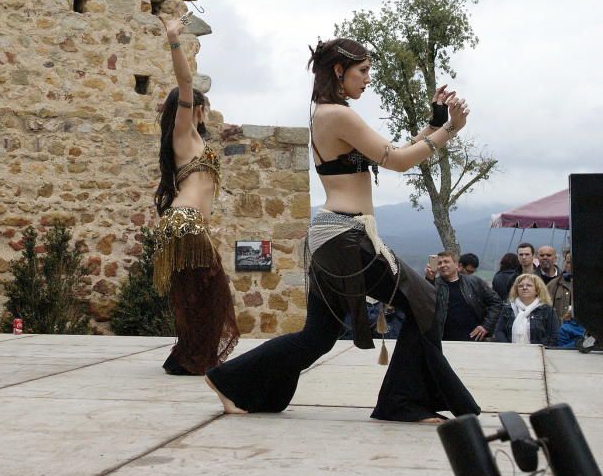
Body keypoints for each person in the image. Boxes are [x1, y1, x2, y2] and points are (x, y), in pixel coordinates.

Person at [205, 38, 480, 423]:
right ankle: (402, 402)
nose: (367, 79)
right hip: (344, 238)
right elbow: (399, 161)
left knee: (318, 337)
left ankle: (229, 379)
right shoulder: (338, 115)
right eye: (363, 71)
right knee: (425, 301)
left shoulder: (328, 114)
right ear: (339, 71)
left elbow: (391, 153)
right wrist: (451, 130)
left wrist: (435, 122)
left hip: (336, 236)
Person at [151, 5, 239, 375]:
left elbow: (201, 171)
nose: (205, 107)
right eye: (202, 105)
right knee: (213, 295)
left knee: (199, 297)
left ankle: (186, 358)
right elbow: (186, 84)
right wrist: (174, 40)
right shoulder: (182, 132)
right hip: (185, 223)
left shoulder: (196, 144)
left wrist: (222, 137)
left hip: (189, 225)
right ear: (191, 109)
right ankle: (192, 359)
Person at [431, 251, 501, 342]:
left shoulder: (474, 282)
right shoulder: (433, 285)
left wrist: (486, 326)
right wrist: (429, 279)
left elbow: (496, 302)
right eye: (439, 263)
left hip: (474, 340)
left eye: (446, 261)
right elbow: (423, 305)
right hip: (444, 341)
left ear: (457, 265)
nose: (442, 265)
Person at [493, 274, 559, 346]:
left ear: (537, 290)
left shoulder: (547, 310)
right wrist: (509, 347)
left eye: (529, 285)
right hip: (511, 353)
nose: (524, 288)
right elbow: (499, 332)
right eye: (520, 286)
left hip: (539, 353)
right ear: (516, 290)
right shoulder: (508, 309)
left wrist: (538, 348)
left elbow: (553, 335)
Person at [547, 250, 574, 324]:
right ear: (564, 263)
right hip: (560, 331)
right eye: (568, 262)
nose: (571, 265)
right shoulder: (553, 285)